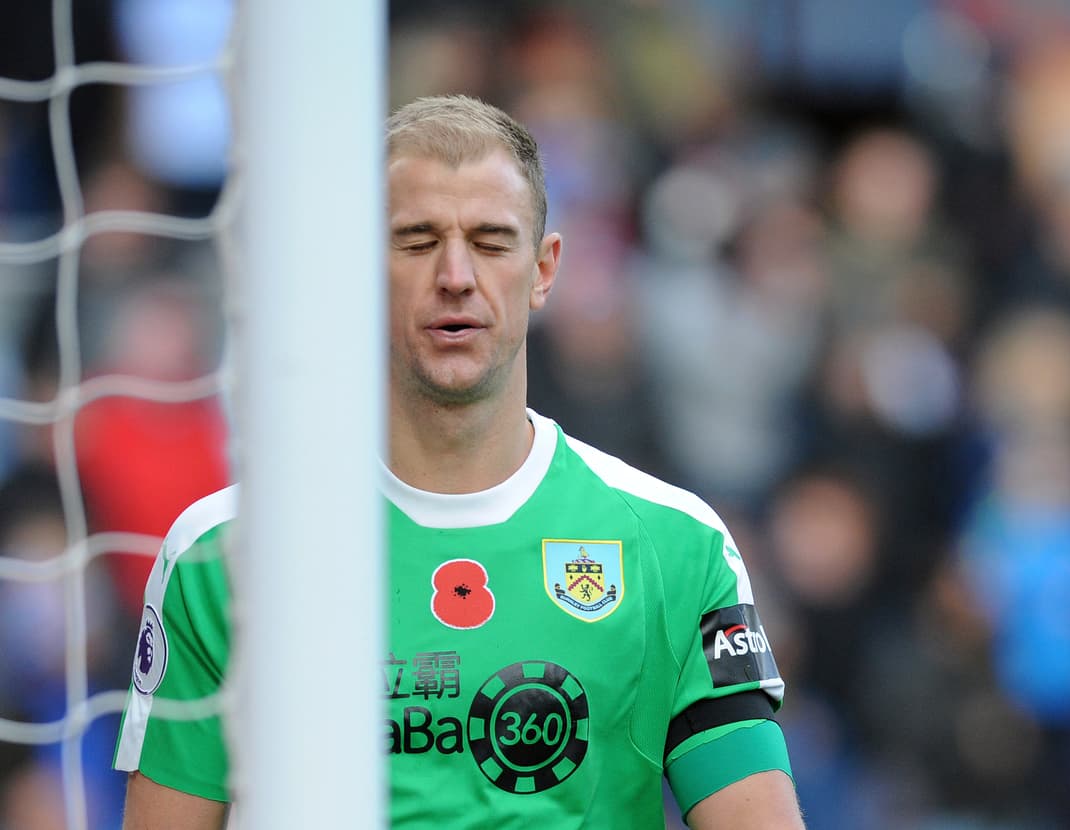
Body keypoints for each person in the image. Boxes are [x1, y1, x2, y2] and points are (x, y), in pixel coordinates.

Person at [113, 95, 804, 829]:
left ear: (543, 270)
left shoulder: (674, 543)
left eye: (491, 242)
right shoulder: (223, 553)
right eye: (416, 241)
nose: (455, 275)